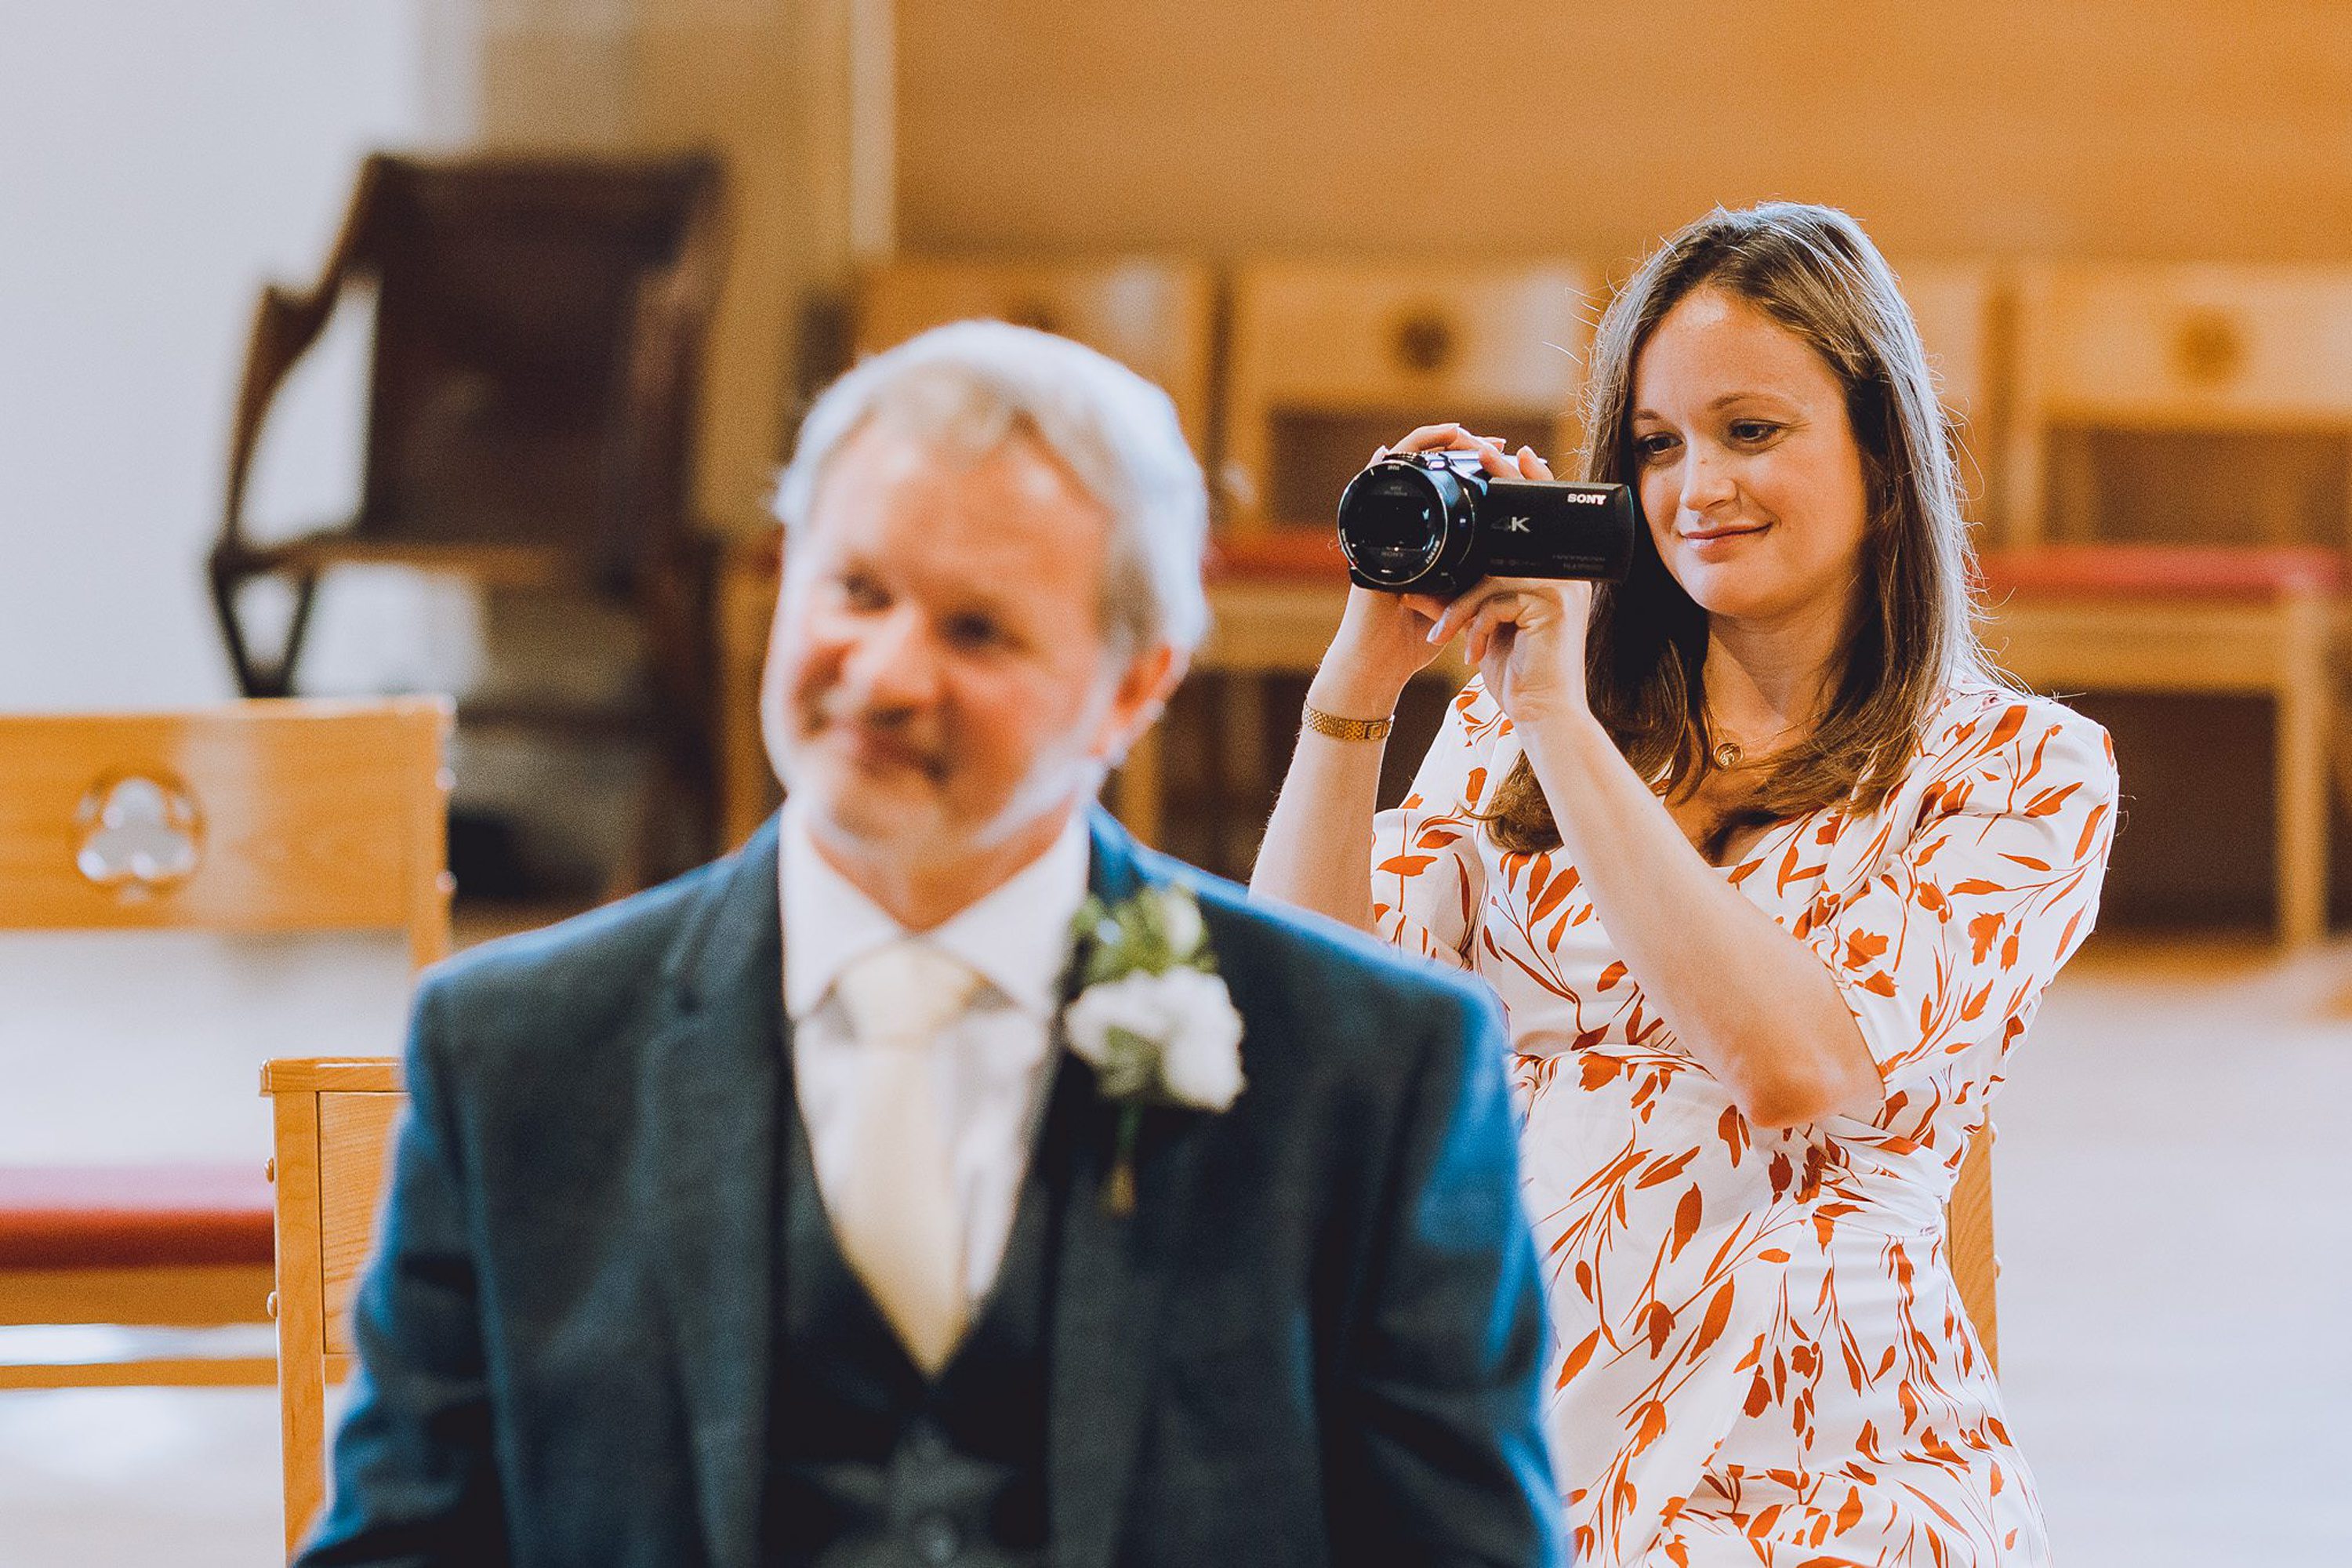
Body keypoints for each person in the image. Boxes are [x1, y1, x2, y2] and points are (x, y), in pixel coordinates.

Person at [299, 320, 1563, 1567]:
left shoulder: (1367, 1069)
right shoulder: (519, 1054)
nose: (888, 674)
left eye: (977, 631)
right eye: (855, 590)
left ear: (1132, 687)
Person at [1253, 204, 2116, 1566]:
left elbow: (1795, 1070)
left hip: (1815, 1445)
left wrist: (1561, 722)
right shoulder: (1522, 724)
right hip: (1507, 1388)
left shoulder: (2022, 770)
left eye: (1750, 430)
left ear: (1884, 456)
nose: (1695, 486)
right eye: (1657, 445)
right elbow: (1313, 1023)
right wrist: (1360, 682)